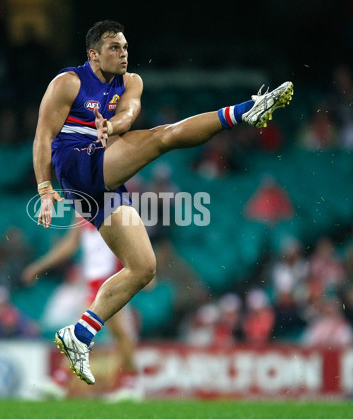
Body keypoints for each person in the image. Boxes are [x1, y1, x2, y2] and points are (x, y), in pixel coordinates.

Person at [32, 20, 293, 385]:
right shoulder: (68, 83)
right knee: (161, 138)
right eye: (114, 48)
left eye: (125, 47)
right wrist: (45, 190)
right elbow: (43, 135)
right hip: (75, 165)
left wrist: (114, 122)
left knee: (143, 268)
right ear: (93, 54)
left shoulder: (131, 81)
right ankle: (244, 111)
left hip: (102, 175)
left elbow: (130, 112)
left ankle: (79, 335)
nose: (123, 53)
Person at [23, 217, 140, 398]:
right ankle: (131, 385)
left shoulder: (113, 207)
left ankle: (60, 382)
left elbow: (131, 238)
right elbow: (69, 245)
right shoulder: (81, 212)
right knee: (119, 333)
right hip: (93, 282)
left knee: (83, 329)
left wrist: (142, 267)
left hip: (110, 280)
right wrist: (39, 267)